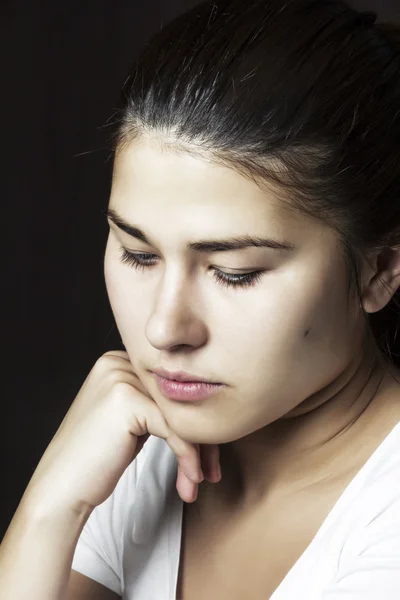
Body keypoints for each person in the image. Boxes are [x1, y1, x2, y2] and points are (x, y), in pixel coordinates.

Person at [1, 0, 400, 598]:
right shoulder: (134, 453)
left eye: (234, 272)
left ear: (380, 270)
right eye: (138, 254)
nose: (164, 329)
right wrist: (50, 509)